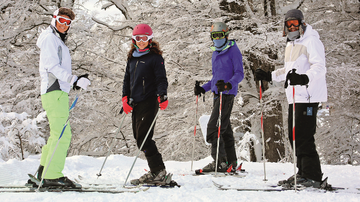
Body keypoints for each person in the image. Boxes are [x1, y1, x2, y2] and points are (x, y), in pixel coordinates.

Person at [255, 9, 327, 188]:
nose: (292, 27)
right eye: (289, 24)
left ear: (302, 23)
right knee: (294, 136)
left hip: (308, 96)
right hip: (295, 97)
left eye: (295, 23)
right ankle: (303, 172)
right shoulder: (291, 44)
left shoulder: (311, 41)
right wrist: (269, 75)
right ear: (285, 26)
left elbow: (319, 67)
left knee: (303, 136)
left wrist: (304, 78)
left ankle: (313, 176)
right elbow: (289, 73)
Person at [32, 7, 91, 188]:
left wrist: (74, 80)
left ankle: (44, 171)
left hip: (56, 92)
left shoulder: (56, 39)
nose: (64, 25)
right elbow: (52, 67)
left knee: (56, 134)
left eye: (68, 23)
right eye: (61, 21)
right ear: (54, 19)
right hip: (54, 90)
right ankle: (52, 175)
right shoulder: (51, 39)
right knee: (63, 135)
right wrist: (74, 80)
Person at [122, 24, 169, 185]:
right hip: (135, 103)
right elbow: (127, 80)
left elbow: (161, 79)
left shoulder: (155, 58)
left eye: (144, 38)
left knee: (144, 137)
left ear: (150, 39)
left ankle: (158, 171)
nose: (141, 42)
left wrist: (162, 95)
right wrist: (124, 98)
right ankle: (157, 171)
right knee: (138, 137)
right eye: (137, 38)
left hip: (150, 100)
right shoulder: (132, 58)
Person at [194, 22, 244, 173]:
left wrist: (228, 85)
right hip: (217, 95)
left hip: (227, 95)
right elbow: (216, 78)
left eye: (219, 35)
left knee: (214, 128)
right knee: (225, 129)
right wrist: (203, 88)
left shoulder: (233, 51)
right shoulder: (215, 52)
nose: (217, 39)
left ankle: (220, 162)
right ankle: (230, 161)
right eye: (214, 36)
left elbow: (239, 74)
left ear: (226, 35)